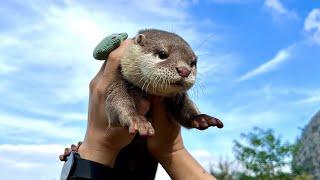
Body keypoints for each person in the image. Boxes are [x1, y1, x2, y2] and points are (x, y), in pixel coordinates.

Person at [59, 39, 217, 180]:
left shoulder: (171, 94)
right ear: (139, 45)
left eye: (192, 64)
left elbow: (182, 107)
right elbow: (117, 102)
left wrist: (94, 150)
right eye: (163, 55)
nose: (185, 70)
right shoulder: (122, 78)